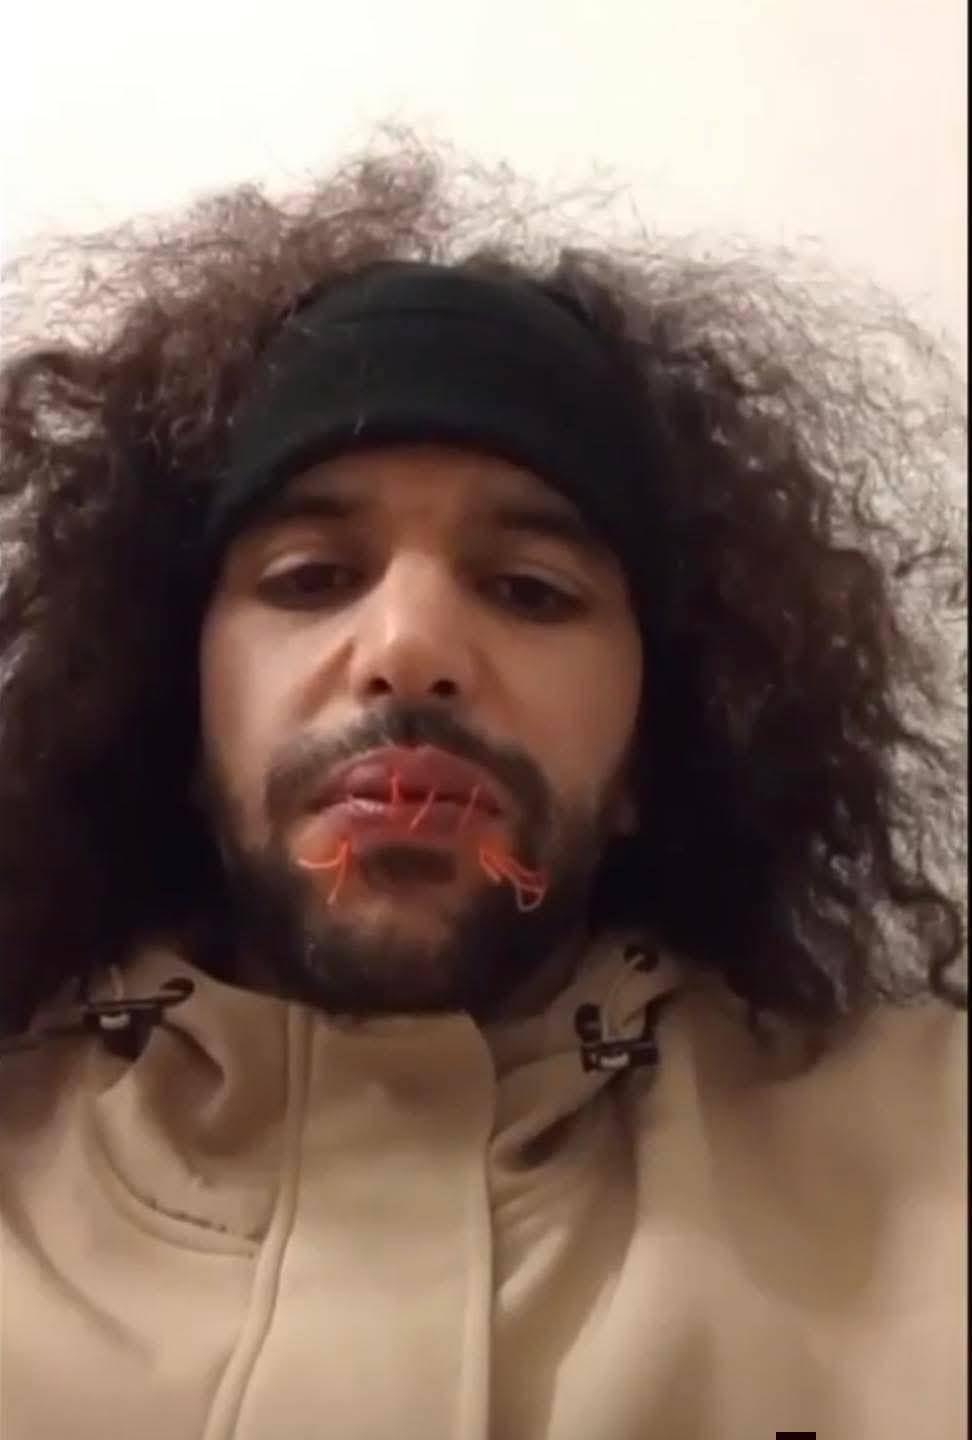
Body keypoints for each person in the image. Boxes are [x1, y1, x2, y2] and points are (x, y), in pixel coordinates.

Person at [0, 143, 966, 1440]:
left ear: (651, 751)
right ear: (177, 708)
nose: (410, 649)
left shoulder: (936, 1159)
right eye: (309, 579)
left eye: (529, 591)